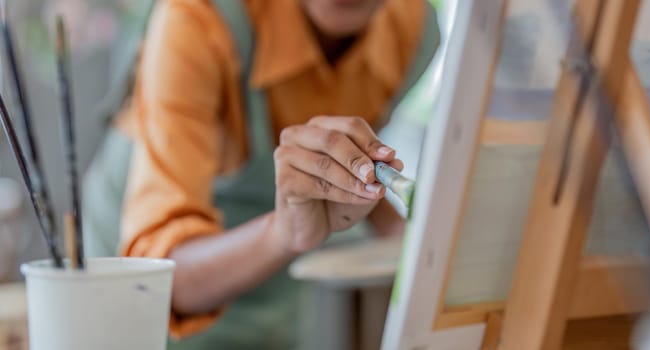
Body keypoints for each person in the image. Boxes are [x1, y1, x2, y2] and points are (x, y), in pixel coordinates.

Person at [82, 0, 439, 348]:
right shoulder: (197, 19)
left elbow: (345, 164)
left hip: (277, 288)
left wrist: (420, 229)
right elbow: (157, 279)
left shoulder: (413, 30)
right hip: (144, 306)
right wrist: (285, 232)